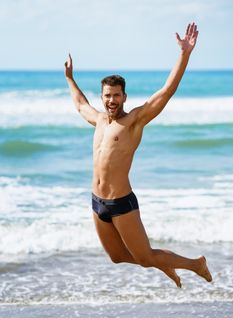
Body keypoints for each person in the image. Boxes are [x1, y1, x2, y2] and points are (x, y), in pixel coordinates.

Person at [64, 23, 212, 288]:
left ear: (124, 97)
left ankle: (194, 264)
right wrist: (70, 78)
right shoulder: (98, 120)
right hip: (98, 202)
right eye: (107, 95)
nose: (112, 100)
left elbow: (166, 92)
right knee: (117, 257)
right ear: (102, 96)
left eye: (117, 96)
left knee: (144, 257)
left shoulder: (134, 122)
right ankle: (163, 262)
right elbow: (79, 104)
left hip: (121, 203)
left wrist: (184, 54)